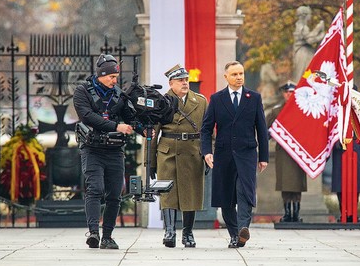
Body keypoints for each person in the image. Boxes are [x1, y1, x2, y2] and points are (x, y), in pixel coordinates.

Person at [73, 54, 139, 250]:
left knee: (114, 195)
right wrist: (115, 126)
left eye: (116, 77)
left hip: (114, 151)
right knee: (95, 189)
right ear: (101, 75)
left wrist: (143, 123)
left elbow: (131, 117)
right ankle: (93, 232)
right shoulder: (82, 91)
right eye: (111, 77)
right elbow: (87, 116)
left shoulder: (118, 94)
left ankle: (107, 236)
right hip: (92, 149)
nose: (114, 80)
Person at [201, 61, 269, 248]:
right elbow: (206, 129)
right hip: (223, 155)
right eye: (235, 74)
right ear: (226, 77)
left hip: (247, 153)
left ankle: (242, 229)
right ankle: (234, 234)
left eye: (241, 74)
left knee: (244, 191)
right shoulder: (216, 99)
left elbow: (262, 129)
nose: (239, 77)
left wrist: (264, 157)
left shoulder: (253, 98)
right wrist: (207, 152)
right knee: (226, 197)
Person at [149, 64, 207, 248]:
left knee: (192, 193)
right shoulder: (161, 102)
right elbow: (152, 134)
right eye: (180, 80)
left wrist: (207, 154)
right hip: (167, 152)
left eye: (186, 80)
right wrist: (150, 162)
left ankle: (188, 233)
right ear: (170, 83)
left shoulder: (201, 101)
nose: (184, 83)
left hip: (192, 152)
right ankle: (170, 231)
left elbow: (207, 132)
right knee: (168, 192)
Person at [266, 81, 306, 222]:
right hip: (283, 152)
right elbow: (265, 129)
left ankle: (296, 213)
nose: (289, 94)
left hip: (298, 153)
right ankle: (287, 212)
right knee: (285, 183)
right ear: (283, 94)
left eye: (291, 92)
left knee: (297, 184)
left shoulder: (302, 110)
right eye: (287, 92)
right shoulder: (277, 111)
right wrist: (271, 135)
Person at [292, 6, 325, 83]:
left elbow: (309, 37)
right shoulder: (302, 27)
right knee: (304, 72)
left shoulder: (300, 26)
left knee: (307, 72)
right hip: (303, 53)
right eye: (309, 14)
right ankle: (302, 87)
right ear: (305, 15)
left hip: (304, 52)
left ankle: (306, 85)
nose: (310, 16)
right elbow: (309, 40)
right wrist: (320, 31)